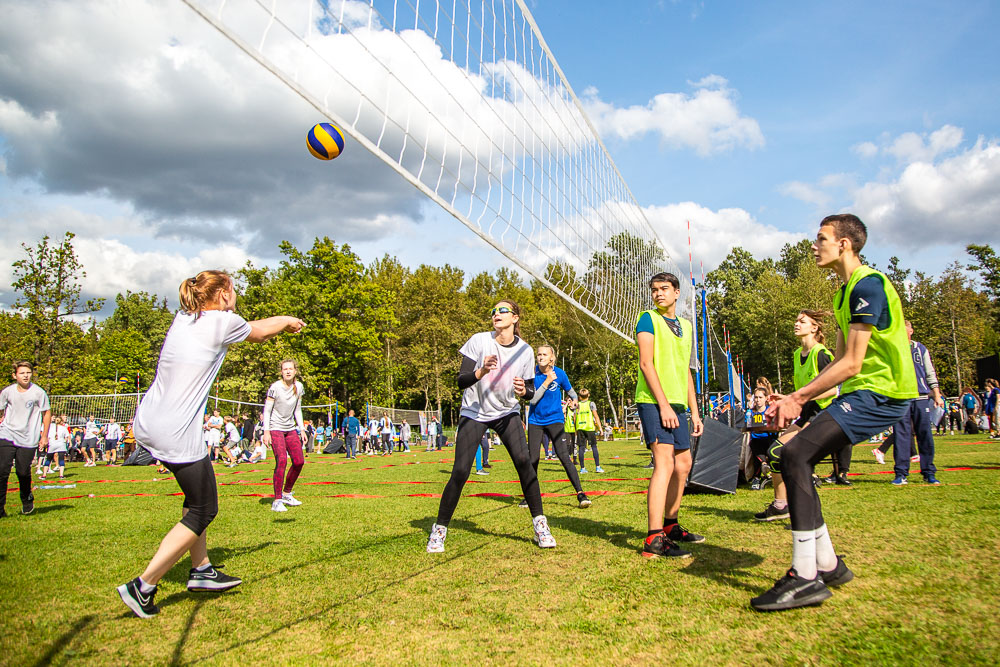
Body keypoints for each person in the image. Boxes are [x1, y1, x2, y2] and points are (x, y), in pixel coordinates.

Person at [752, 214, 917, 611]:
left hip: (884, 394)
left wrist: (799, 399)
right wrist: (793, 396)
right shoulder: (843, 294)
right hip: (864, 393)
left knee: (793, 454)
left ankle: (806, 576)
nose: (814, 245)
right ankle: (827, 565)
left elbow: (853, 363)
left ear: (844, 244)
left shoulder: (869, 285)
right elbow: (838, 360)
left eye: (821, 238)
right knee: (793, 455)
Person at [116, 270, 304, 618]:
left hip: (150, 420)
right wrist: (289, 320)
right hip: (176, 431)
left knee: (195, 498)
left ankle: (201, 569)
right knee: (205, 509)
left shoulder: (185, 318)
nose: (236, 296)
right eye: (233, 290)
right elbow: (260, 332)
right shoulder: (221, 322)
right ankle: (143, 585)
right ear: (221, 296)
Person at [427, 300, 555, 553]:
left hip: (507, 413)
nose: (496, 314)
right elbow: (461, 381)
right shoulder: (479, 341)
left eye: (502, 311)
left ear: (515, 318)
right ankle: (439, 530)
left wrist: (524, 391)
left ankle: (541, 524)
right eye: (493, 312)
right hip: (474, 412)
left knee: (524, 463)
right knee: (461, 471)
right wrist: (481, 371)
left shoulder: (526, 351)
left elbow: (529, 390)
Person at [635, 272, 705, 560]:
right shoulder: (647, 319)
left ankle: (671, 525)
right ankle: (653, 538)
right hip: (653, 400)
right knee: (664, 462)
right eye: (654, 289)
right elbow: (646, 363)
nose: (658, 293)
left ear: (677, 293)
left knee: (683, 464)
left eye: (664, 289)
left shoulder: (686, 326)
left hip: (678, 403)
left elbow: (686, 371)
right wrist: (663, 405)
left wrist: (695, 411)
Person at [755, 310, 838, 521]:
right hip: (808, 412)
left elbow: (834, 389)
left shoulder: (821, 354)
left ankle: (807, 515)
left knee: (793, 456)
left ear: (814, 328)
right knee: (774, 452)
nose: (796, 324)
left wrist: (798, 399)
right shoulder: (796, 354)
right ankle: (781, 505)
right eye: (796, 320)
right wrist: (786, 399)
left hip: (824, 413)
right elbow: (804, 392)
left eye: (802, 321)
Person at [526, 345, 591, 508]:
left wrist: (574, 400)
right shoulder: (532, 373)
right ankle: (529, 496)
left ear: (551, 358)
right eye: (539, 354)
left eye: (544, 354)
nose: (540, 357)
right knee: (533, 459)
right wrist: (547, 381)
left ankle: (581, 494)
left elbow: (572, 392)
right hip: (535, 421)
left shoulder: (560, 373)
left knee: (564, 456)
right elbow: (532, 400)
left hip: (555, 420)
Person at [886, 321, 943, 486]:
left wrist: (937, 395)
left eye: (905, 329)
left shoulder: (920, 349)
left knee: (925, 434)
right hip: (901, 397)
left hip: (920, 397)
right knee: (901, 435)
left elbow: (929, 372)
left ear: (911, 330)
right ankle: (901, 473)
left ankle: (929, 472)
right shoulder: (893, 349)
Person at [0, 361, 51, 516]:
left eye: (28, 372)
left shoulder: (38, 393)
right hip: (7, 433)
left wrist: (44, 436)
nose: (26, 375)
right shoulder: (7, 392)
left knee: (22, 472)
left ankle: (27, 499)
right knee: (2, 470)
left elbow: (47, 413)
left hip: (28, 437)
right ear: (15, 375)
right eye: (22, 373)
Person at [263, 359, 306, 513]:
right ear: (281, 372)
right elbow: (267, 410)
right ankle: (277, 500)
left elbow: (297, 410)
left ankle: (287, 493)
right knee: (281, 460)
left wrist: (301, 429)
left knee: (299, 461)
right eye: (284, 369)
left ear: (295, 371)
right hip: (275, 428)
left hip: (290, 428)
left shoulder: (299, 387)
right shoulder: (275, 388)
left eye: (290, 368)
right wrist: (266, 431)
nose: (288, 371)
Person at [745, 388, 775, 490]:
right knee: (755, 445)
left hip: (769, 438)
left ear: (766, 398)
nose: (758, 400)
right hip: (756, 440)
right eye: (756, 397)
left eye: (760, 397)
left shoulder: (770, 410)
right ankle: (760, 471)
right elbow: (747, 425)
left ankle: (762, 469)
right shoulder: (751, 412)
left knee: (771, 446)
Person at [575, 388, 604, 474]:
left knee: (581, 448)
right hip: (589, 428)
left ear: (579, 397)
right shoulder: (591, 404)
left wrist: (576, 429)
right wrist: (600, 428)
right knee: (594, 447)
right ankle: (598, 467)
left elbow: (575, 418)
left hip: (580, 428)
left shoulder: (578, 405)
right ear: (588, 395)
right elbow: (596, 416)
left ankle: (582, 468)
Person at [41, 415, 71, 481]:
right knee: (61, 459)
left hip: (52, 444)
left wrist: (44, 445)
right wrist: (69, 443)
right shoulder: (63, 428)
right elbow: (67, 436)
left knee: (48, 459)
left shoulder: (50, 428)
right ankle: (61, 475)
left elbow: (47, 436)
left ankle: (44, 475)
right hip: (61, 444)